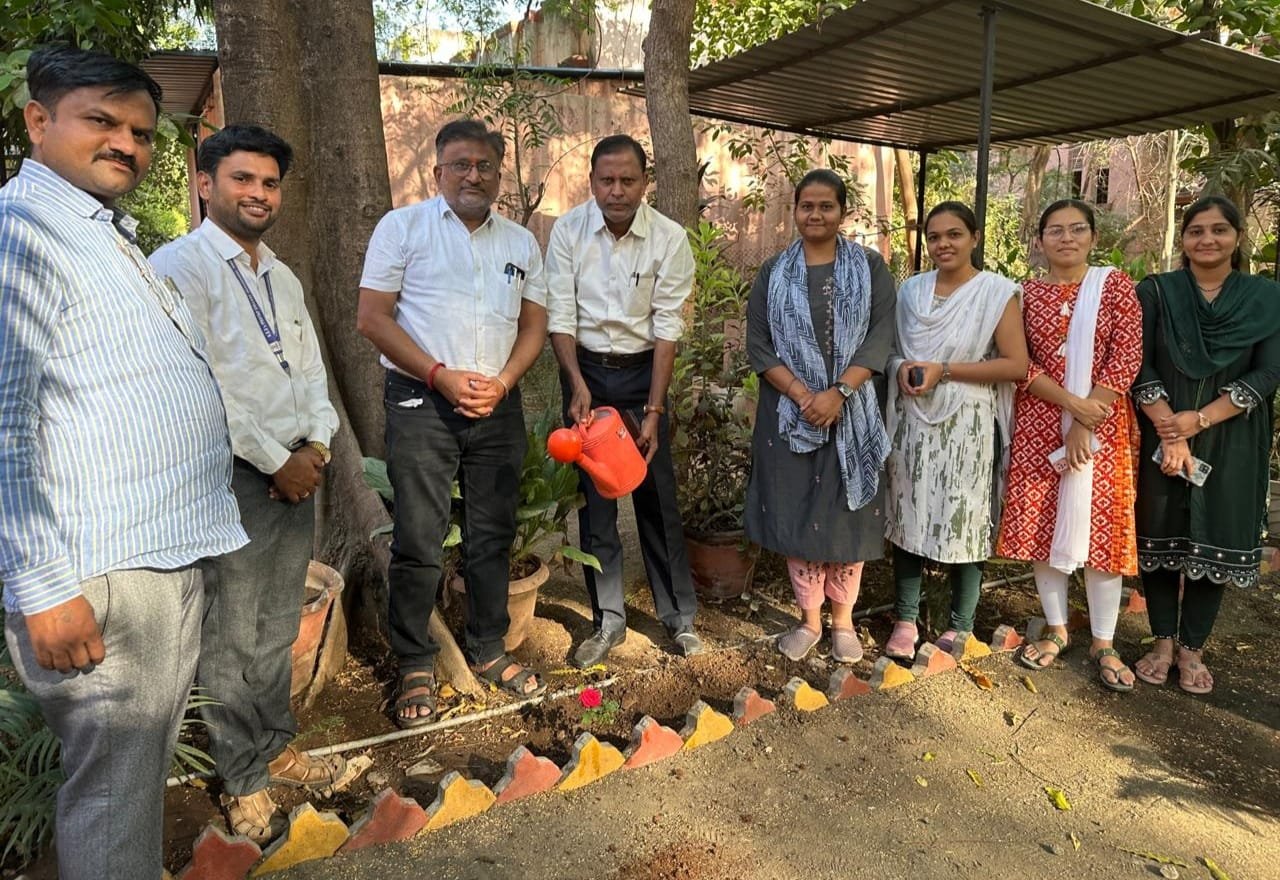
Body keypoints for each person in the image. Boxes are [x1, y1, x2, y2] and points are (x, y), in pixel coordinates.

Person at [0, 46, 246, 879]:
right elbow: (3, 428)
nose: (127, 145)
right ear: (39, 121)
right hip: (96, 573)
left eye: (140, 132)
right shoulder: (22, 237)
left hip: (147, 555)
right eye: (101, 121)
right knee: (113, 795)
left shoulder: (96, 232)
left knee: (128, 786)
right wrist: (42, 588)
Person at [150, 124, 344, 841]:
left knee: (274, 623)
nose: (258, 194)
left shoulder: (282, 277)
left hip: (300, 468)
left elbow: (311, 372)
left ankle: (275, 744)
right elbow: (201, 386)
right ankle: (241, 776)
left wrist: (318, 444)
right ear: (205, 184)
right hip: (228, 475)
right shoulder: (176, 269)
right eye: (242, 179)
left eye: (268, 182)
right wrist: (276, 461)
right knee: (230, 631)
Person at [357, 119, 549, 727]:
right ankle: (415, 659)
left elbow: (534, 325)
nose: (473, 175)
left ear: (499, 174)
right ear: (438, 171)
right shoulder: (402, 228)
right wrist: (440, 375)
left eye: (485, 165)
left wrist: (505, 382)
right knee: (419, 537)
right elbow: (372, 318)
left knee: (492, 534)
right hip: (421, 402)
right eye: (460, 165)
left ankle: (488, 648)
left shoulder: (520, 242)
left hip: (498, 405)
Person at [545, 134, 702, 667]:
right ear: (591, 182)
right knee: (597, 505)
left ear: (644, 182)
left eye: (627, 180)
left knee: (656, 497)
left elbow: (667, 327)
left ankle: (680, 619)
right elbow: (560, 316)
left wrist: (654, 411)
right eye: (606, 180)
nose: (616, 191)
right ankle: (608, 620)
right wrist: (576, 383)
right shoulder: (567, 231)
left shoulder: (668, 237)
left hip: (643, 378)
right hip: (585, 371)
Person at [744, 169, 896, 663]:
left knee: (846, 516)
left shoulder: (870, 268)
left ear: (842, 212)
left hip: (851, 413)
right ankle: (809, 620)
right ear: (795, 211)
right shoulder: (773, 272)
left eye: (826, 206)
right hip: (791, 414)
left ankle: (844, 622)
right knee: (799, 513)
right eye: (806, 206)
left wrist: (839, 392)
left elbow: (881, 335)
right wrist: (806, 396)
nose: (815, 214)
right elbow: (760, 346)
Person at [1131, 196, 1280, 695]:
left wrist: (1200, 420)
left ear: (1237, 237)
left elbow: (1270, 370)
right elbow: (1137, 360)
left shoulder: (1265, 297)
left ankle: (1193, 648)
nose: (1207, 239)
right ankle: (1162, 642)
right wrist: (1170, 428)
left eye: (1219, 230)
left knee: (1215, 536)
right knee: (1159, 532)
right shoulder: (1157, 292)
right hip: (1161, 431)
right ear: (1183, 239)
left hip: (1232, 435)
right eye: (1196, 230)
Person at [997, 199, 1142, 692]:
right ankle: (1057, 629)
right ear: (1039, 242)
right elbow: (1023, 365)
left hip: (1103, 423)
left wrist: (1085, 420)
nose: (1066, 238)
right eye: (1054, 230)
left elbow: (1127, 355)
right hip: (1040, 420)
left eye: (1077, 229)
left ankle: (1104, 640)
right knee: (1043, 525)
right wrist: (1069, 406)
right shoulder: (1027, 294)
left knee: (1104, 530)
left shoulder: (1115, 286)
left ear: (1093, 238)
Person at [884, 202, 1027, 661]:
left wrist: (944, 369)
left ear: (975, 238)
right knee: (907, 515)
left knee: (965, 520)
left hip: (967, 423)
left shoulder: (996, 292)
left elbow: (1015, 365)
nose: (943, 244)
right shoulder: (910, 291)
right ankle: (906, 620)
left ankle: (959, 626)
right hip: (912, 418)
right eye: (934, 237)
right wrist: (903, 367)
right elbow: (891, 353)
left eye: (954, 235)